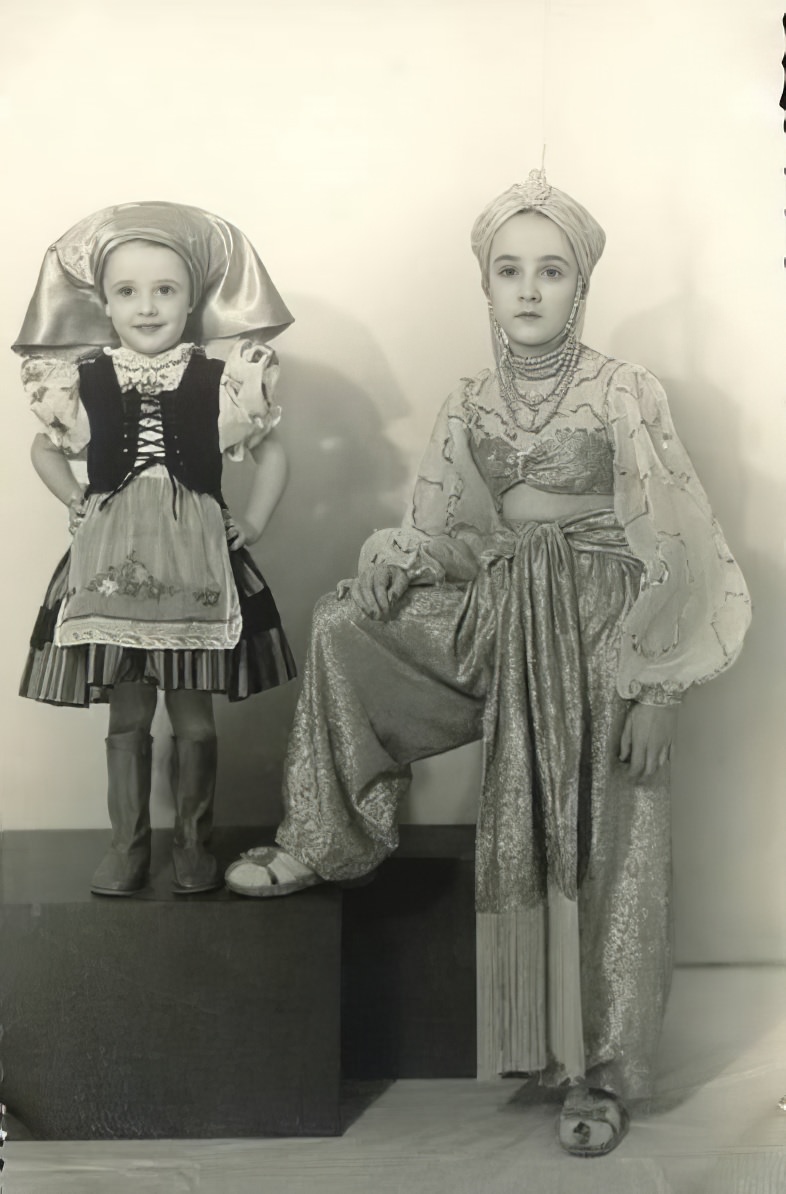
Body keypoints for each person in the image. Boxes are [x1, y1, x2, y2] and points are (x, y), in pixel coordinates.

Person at [225, 171, 751, 1155]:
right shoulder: (471, 398)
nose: (528, 289)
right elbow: (448, 526)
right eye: (508, 270)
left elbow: (678, 535)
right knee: (345, 621)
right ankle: (325, 835)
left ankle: (600, 1071)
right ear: (485, 284)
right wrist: (405, 556)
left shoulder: (624, 389)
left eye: (550, 271)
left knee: (608, 845)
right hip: (506, 613)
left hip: (607, 627)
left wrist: (660, 684)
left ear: (580, 284)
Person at [16, 201, 296, 897]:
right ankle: (128, 846)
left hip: (196, 563)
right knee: (130, 711)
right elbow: (43, 448)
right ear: (103, 304)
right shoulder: (83, 382)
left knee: (194, 716)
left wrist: (253, 524)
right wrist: (74, 499)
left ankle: (195, 843)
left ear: (191, 300)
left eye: (165, 291)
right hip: (114, 567)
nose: (147, 307)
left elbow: (273, 453)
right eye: (128, 292)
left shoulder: (218, 380)